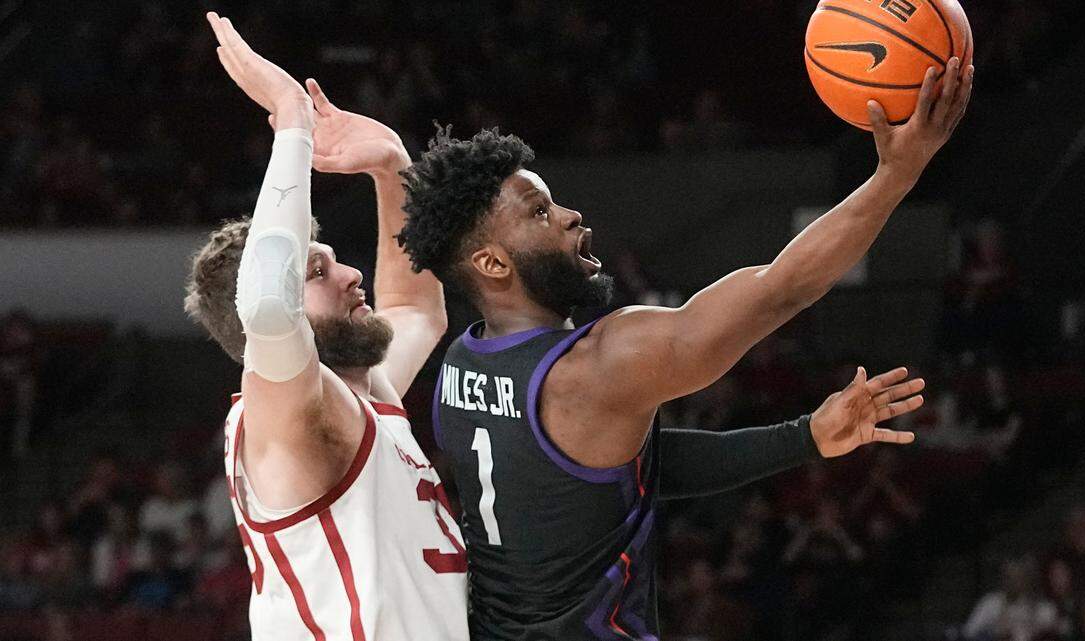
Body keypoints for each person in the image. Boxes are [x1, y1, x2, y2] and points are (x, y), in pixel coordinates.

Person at [398, 51, 973, 637]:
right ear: (492, 263)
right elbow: (782, 289)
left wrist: (803, 438)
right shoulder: (599, 365)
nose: (571, 215)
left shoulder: (460, 364)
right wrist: (896, 175)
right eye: (540, 212)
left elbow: (631, 468)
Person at [184, 13, 465, 640]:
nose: (352, 274)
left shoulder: (362, 395)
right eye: (317, 270)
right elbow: (267, 306)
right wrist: (292, 120)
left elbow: (418, 308)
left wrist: (393, 169)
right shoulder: (285, 414)